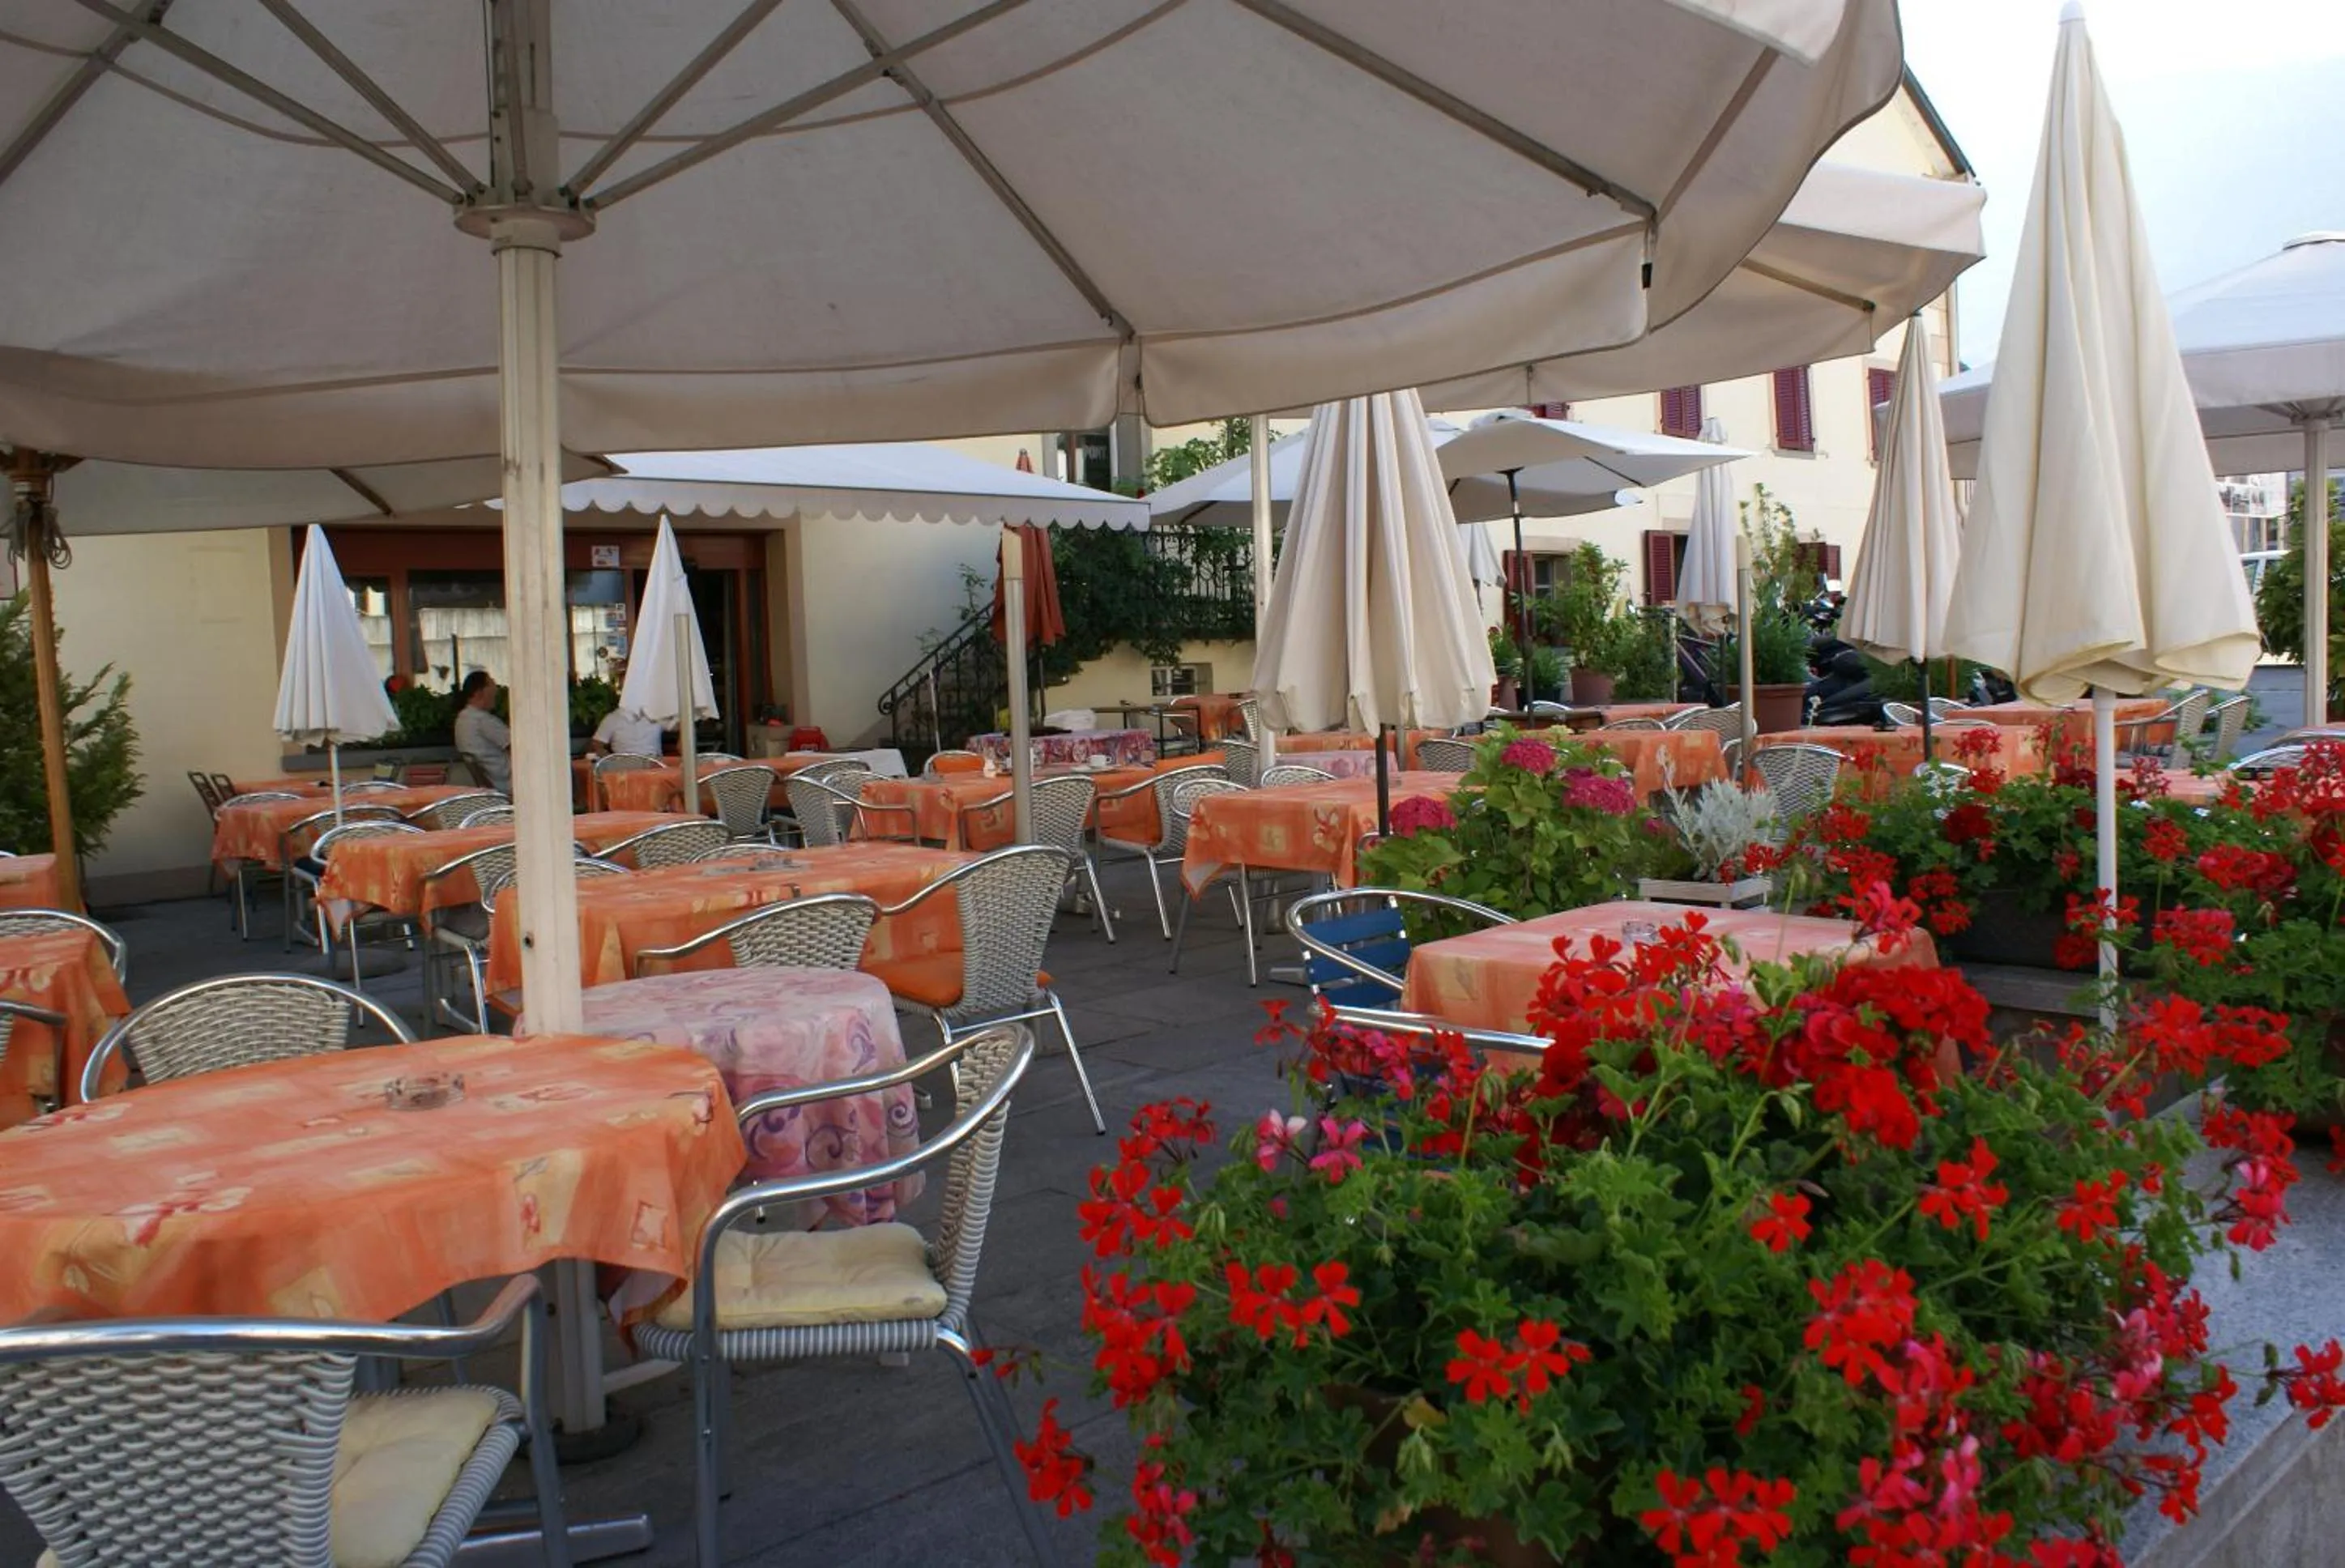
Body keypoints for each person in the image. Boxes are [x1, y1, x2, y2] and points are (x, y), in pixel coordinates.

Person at [453, 671, 512, 792]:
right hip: (507, 782)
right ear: (479, 693)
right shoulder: (482, 720)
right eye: (491, 684)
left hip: (492, 781)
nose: (496, 689)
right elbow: (516, 746)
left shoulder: (462, 720)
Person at [588, 701, 665, 759]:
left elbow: (675, 726)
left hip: (655, 766)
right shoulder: (613, 718)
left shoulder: (658, 715)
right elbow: (596, 744)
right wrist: (610, 760)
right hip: (625, 767)